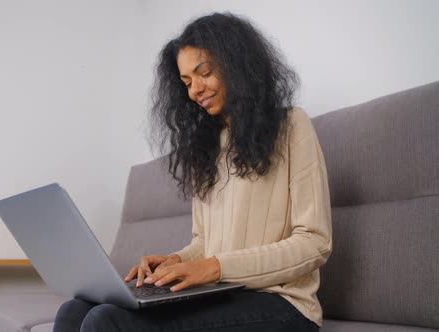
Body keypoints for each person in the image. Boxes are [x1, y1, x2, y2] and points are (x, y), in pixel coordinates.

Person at [53, 12, 332, 332]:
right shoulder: (207, 147)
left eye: (205, 73)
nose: (195, 89)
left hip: (284, 306)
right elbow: (205, 242)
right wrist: (178, 261)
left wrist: (213, 268)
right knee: (75, 309)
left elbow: (314, 243)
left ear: (237, 65)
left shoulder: (292, 126)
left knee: (108, 320)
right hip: (222, 293)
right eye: (186, 82)